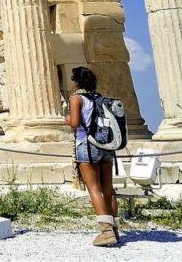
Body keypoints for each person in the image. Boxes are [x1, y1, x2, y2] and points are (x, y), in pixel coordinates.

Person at [65, 66, 119, 247]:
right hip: (106, 145)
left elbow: (74, 123)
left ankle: (106, 231)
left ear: (77, 81)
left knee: (94, 189)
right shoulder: (100, 98)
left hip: (87, 145)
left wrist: (65, 119)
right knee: (108, 189)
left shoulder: (76, 98)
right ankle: (115, 229)